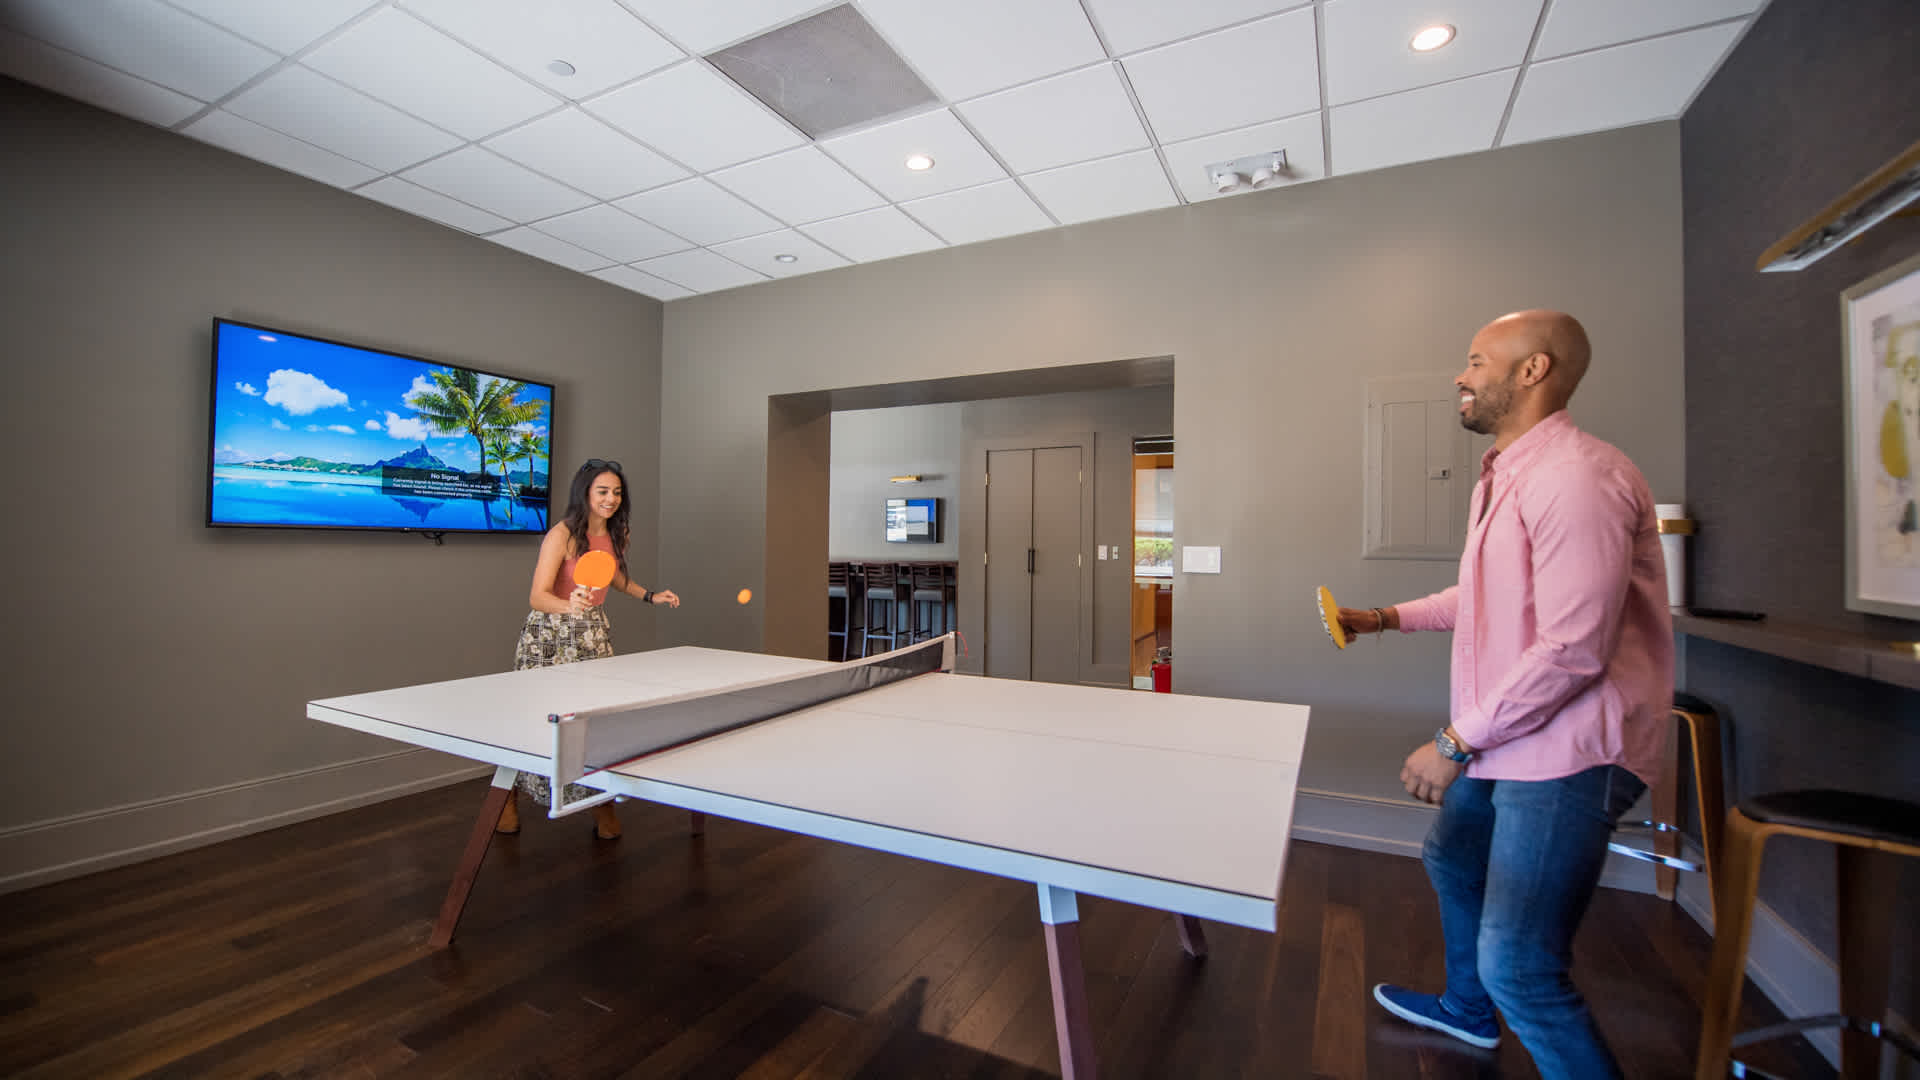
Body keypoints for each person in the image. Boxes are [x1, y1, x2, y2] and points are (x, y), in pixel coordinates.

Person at [1337, 310, 1672, 1079]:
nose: (1461, 376)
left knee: (1521, 967)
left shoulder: (1577, 479)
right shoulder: (1507, 474)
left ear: (1532, 370)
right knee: (1453, 855)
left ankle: (1491, 999)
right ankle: (1467, 1008)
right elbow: (1485, 596)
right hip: (1514, 737)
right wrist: (1383, 618)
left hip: (1570, 751)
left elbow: (1574, 649)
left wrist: (1454, 742)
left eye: (1477, 361)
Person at [494, 458, 680, 839]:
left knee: (593, 721)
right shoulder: (561, 535)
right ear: (585, 493)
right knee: (535, 721)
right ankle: (506, 795)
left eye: (617, 492)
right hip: (548, 636)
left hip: (592, 634)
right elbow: (537, 596)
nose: (611, 499)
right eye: (603, 491)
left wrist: (649, 595)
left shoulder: (617, 533)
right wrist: (569, 606)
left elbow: (614, 577)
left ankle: (600, 803)